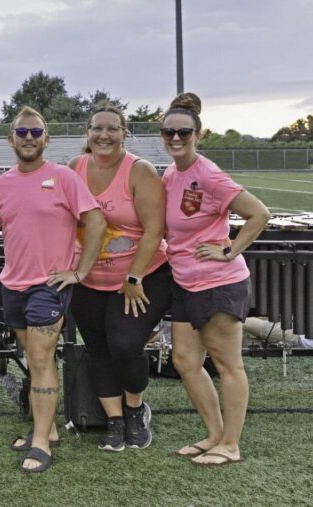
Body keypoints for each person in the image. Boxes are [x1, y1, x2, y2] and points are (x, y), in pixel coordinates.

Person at [0, 106, 106, 472]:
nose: (28, 138)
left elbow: (95, 221)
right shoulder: (1, 185)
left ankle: (42, 443)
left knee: (42, 359)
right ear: (10, 139)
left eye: (35, 132)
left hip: (48, 286)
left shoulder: (63, 177)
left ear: (46, 139)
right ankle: (47, 430)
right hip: (13, 285)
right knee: (34, 359)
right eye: (22, 132)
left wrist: (79, 272)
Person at [160, 93, 269, 466]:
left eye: (184, 133)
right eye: (169, 133)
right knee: (186, 360)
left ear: (198, 134)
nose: (176, 139)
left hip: (218, 283)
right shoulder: (171, 173)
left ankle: (231, 444)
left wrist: (229, 251)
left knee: (227, 364)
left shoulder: (208, 174)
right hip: (184, 281)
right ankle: (214, 434)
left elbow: (258, 214)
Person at [66, 103, 172, 452]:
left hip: (141, 276)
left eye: (113, 128)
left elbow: (155, 231)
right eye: (98, 128)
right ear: (87, 132)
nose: (104, 135)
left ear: (125, 133)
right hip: (89, 278)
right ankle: (113, 420)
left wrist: (134, 277)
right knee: (98, 349)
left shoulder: (139, 171)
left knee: (125, 344)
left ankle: (135, 410)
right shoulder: (74, 168)